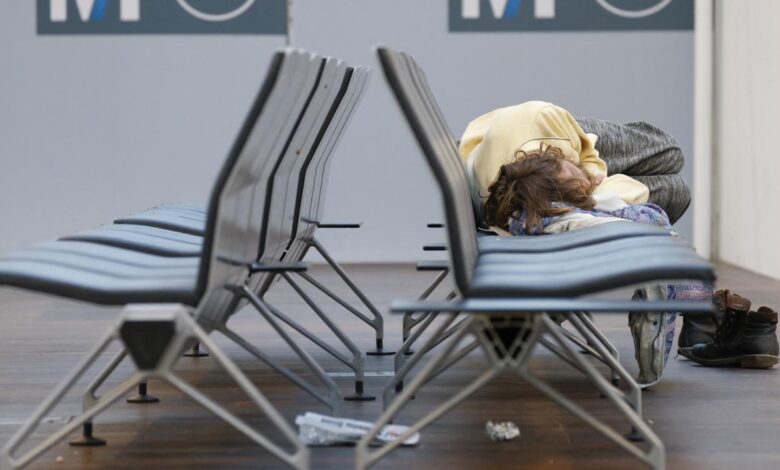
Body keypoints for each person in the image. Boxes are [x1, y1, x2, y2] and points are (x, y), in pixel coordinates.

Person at [458, 102, 778, 382]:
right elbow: (586, 205)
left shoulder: (545, 131)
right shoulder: (532, 201)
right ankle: (703, 319)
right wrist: (593, 195)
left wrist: (591, 171)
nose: (594, 182)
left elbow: (587, 175)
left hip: (550, 133)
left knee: (669, 158)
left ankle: (703, 318)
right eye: (584, 186)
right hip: (522, 166)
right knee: (676, 187)